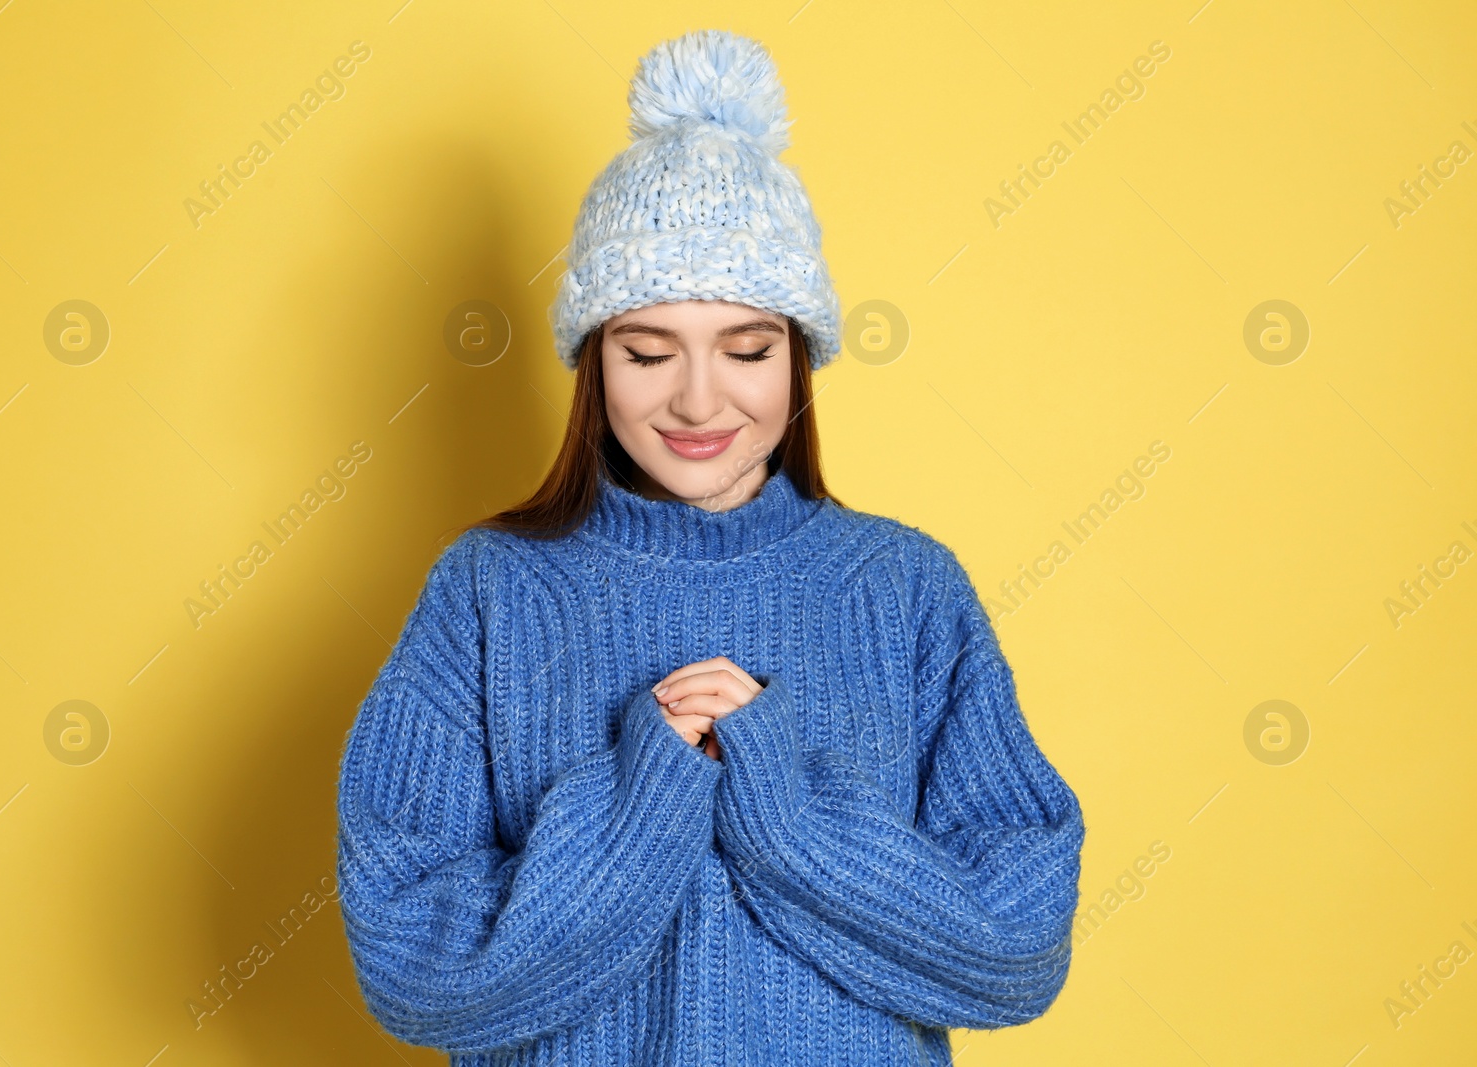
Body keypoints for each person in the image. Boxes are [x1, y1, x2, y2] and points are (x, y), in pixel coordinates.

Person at [335, 28, 1084, 1065]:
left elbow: (1014, 948)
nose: (698, 398)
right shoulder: (487, 593)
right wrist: (642, 794)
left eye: (746, 348)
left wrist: (776, 801)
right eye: (648, 351)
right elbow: (411, 964)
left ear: (798, 356)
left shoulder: (903, 587)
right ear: (594, 360)